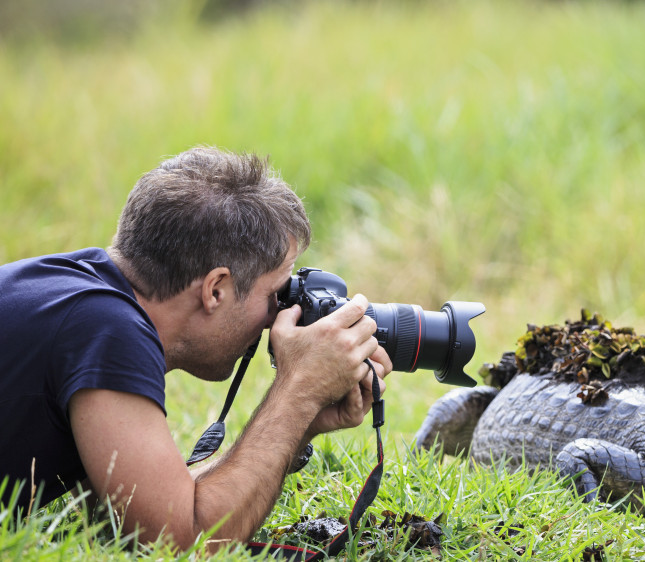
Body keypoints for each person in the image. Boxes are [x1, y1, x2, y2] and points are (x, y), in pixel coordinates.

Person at [0, 147, 392, 550]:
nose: (279, 315)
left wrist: (301, 422)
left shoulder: (75, 294)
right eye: (277, 294)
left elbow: (128, 517)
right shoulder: (107, 332)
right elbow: (179, 543)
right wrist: (299, 391)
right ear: (215, 290)